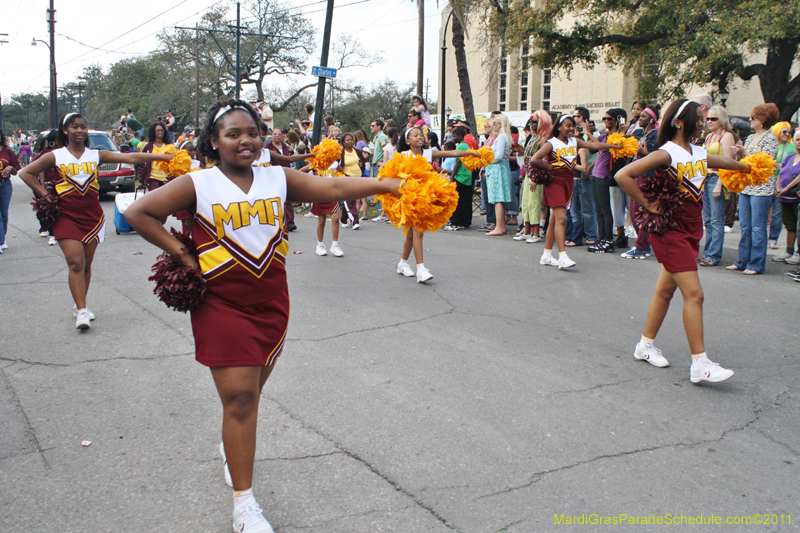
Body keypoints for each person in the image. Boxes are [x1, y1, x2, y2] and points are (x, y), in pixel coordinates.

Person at [123, 100, 402, 533]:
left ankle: (230, 444)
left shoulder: (277, 178)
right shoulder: (198, 182)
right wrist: (182, 254)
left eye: (252, 132)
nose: (245, 141)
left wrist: (388, 185)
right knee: (240, 399)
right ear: (214, 141)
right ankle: (244, 504)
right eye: (233, 134)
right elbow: (137, 212)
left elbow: (331, 188)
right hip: (220, 305)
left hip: (271, 303)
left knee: (248, 395)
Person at [615, 99, 749, 383]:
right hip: (670, 232)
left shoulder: (698, 152)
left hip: (691, 230)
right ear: (678, 122)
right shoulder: (666, 153)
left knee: (665, 292)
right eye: (697, 118)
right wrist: (647, 204)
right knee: (695, 295)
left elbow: (725, 163)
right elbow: (623, 175)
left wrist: (747, 165)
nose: (702, 123)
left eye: (704, 118)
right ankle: (700, 363)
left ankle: (644, 346)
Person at [17, 112, 173, 329]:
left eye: (83, 126)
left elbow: (130, 158)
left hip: (92, 216)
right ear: (65, 130)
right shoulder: (55, 156)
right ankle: (82, 311)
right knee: (76, 262)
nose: (79, 130)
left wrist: (165, 157)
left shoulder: (95, 155)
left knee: (86, 264)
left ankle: (80, 303)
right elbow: (25, 173)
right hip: (66, 216)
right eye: (74, 126)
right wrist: (44, 194)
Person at [531, 114, 622, 269]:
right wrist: (550, 167)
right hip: (555, 182)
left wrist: (615, 146)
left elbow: (595, 146)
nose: (571, 128)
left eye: (573, 125)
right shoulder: (551, 143)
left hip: (568, 182)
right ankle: (563, 256)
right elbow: (535, 159)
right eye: (568, 125)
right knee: (561, 219)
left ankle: (546, 255)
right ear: (559, 127)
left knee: (554, 219)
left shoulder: (574, 141)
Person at [395, 127, 478, 282]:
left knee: (412, 234)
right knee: (417, 232)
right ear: (407, 140)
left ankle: (402, 263)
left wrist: (471, 153)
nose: (420, 137)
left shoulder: (428, 153)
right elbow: (392, 174)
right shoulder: (403, 155)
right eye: (415, 135)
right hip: (409, 198)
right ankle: (421, 269)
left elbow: (453, 153)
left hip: (425, 198)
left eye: (421, 135)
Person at [728, 103, 780, 275]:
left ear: (763, 119)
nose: (750, 120)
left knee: (757, 227)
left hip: (762, 188)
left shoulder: (770, 138)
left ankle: (756, 264)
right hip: (747, 187)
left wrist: (745, 153)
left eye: (753, 117)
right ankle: (742, 261)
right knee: (745, 226)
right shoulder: (750, 138)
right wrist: (739, 154)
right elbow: (745, 162)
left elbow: (766, 162)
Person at [698, 106, 736, 266]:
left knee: (716, 219)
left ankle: (714, 255)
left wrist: (719, 184)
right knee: (707, 220)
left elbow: (728, 162)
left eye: (713, 119)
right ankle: (708, 252)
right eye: (708, 118)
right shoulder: (709, 136)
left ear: (722, 120)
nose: (709, 121)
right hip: (706, 179)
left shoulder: (726, 136)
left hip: (716, 178)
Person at [588, 108, 627, 253]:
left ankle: (608, 241)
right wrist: (588, 135)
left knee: (605, 210)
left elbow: (603, 149)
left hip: (604, 175)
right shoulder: (604, 136)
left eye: (609, 118)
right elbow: (592, 148)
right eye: (604, 118)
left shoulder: (617, 137)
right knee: (598, 210)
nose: (605, 121)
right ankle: (601, 239)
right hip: (595, 174)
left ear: (617, 120)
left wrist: (589, 135)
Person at [517, 111, 551, 243]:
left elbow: (545, 159)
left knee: (534, 203)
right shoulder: (533, 137)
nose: (532, 124)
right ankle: (526, 231)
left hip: (536, 175)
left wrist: (537, 177)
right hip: (528, 173)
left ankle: (536, 233)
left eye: (535, 122)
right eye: (531, 122)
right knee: (525, 203)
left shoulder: (544, 138)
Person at [484, 115, 513, 236]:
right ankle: (501, 226)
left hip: (498, 169)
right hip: (501, 167)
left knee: (498, 198)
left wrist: (487, 160)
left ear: (501, 124)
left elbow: (499, 155)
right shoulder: (504, 136)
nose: (493, 125)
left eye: (495, 123)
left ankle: (499, 227)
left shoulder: (501, 137)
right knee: (500, 198)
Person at [768, 121, 794, 253]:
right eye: (784, 131)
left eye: (789, 132)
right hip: (767, 181)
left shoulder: (791, 146)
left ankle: (773, 239)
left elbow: (795, 163)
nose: (787, 134)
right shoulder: (770, 144)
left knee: (777, 214)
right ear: (777, 131)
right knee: (763, 211)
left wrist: (783, 166)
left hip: (782, 183)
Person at [775, 130, 800, 265]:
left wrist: (786, 188)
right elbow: (781, 173)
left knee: (799, 225)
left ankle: (798, 253)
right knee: (789, 224)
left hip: (796, 196)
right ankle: (789, 251)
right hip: (785, 197)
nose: (799, 142)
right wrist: (779, 187)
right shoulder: (789, 157)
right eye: (797, 140)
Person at [444, 127, 475, 230]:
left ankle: (455, 222)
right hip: (468, 176)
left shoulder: (460, 147)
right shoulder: (466, 146)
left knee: (456, 200)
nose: (453, 138)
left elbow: (458, 162)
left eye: (454, 136)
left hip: (460, 176)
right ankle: (465, 221)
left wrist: (452, 177)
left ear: (460, 136)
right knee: (466, 200)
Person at [337, 132, 366, 231]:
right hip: (347, 178)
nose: (350, 141)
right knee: (350, 200)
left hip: (358, 178)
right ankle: (354, 221)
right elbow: (337, 165)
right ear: (343, 142)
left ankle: (343, 219)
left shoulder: (356, 151)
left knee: (352, 199)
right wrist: (342, 173)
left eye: (351, 140)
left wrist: (362, 164)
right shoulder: (341, 153)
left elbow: (363, 161)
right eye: (347, 140)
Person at [0, 129, 21, 253]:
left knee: (4, 214)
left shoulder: (7, 151)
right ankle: (0, 241)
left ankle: (2, 238)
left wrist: (10, 167)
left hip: (5, 184)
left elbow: (16, 170)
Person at [139, 122, 174, 191]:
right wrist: (141, 180)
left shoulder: (168, 146)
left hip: (166, 179)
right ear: (153, 132)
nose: (160, 132)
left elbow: (173, 161)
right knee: (155, 196)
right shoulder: (148, 147)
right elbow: (142, 163)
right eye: (158, 130)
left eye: (162, 130)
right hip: (152, 178)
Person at [369, 119, 389, 221]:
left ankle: (383, 214)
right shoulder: (377, 137)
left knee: (380, 190)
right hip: (376, 166)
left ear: (379, 127)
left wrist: (383, 162)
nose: (371, 127)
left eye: (373, 125)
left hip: (380, 166)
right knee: (378, 190)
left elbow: (386, 149)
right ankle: (382, 214)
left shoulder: (382, 137)